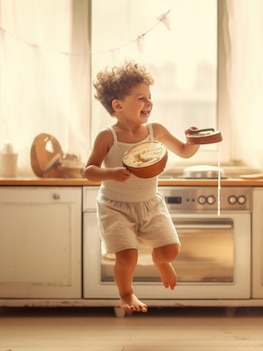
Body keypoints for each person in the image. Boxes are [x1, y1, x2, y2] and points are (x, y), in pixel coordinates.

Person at [84, 61, 201, 313]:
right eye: (141, 98)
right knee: (128, 257)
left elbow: (183, 151)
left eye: (149, 97)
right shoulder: (108, 137)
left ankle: (161, 262)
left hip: (150, 204)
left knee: (170, 250)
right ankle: (126, 294)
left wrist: (194, 141)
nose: (148, 103)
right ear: (118, 105)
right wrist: (110, 173)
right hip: (115, 207)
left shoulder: (155, 131)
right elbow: (89, 171)